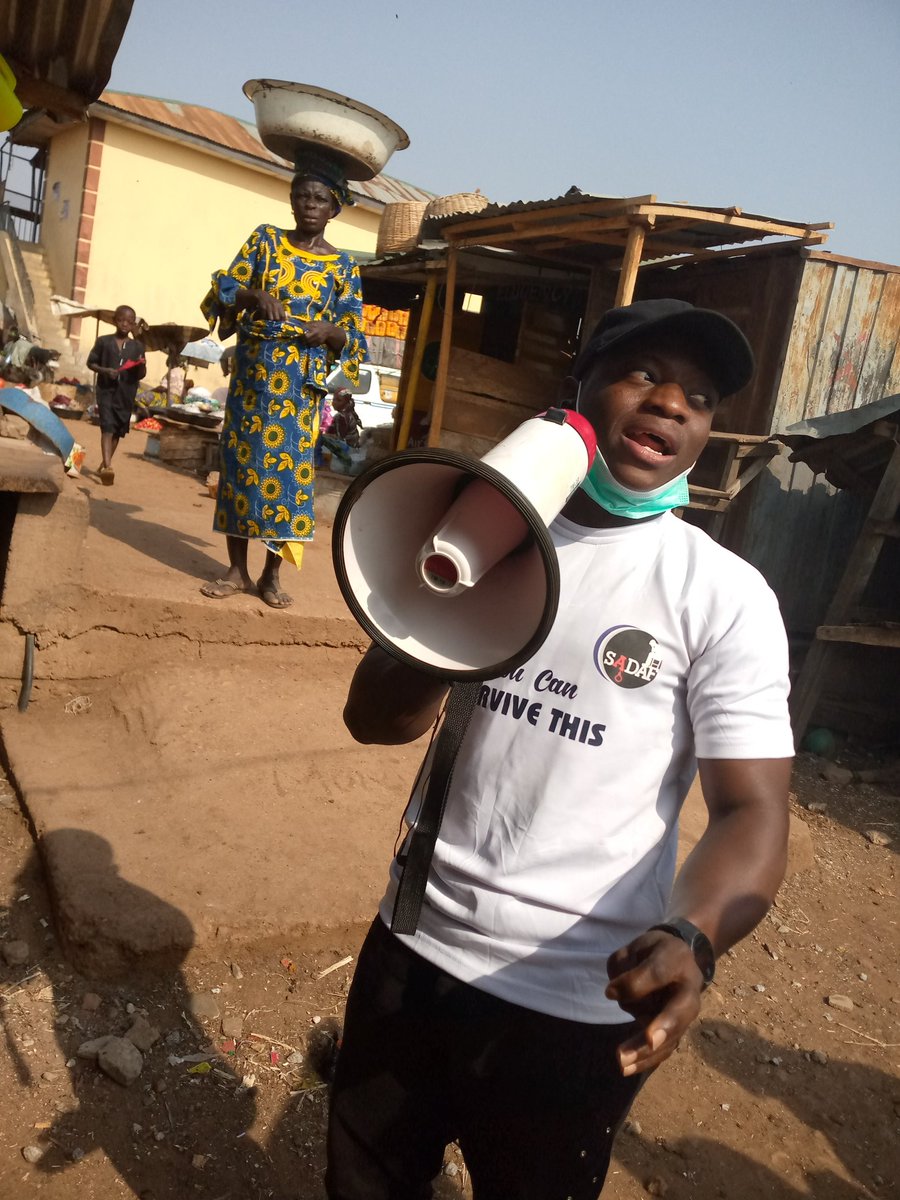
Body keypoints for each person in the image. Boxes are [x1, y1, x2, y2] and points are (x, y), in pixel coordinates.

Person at [326, 298, 795, 1200]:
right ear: (580, 392)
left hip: (577, 1003)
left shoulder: (723, 595)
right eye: (646, 373)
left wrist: (691, 936)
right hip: (411, 951)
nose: (671, 403)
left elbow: (752, 810)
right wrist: (443, 614)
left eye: (699, 396)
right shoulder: (481, 529)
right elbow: (373, 720)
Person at [199, 150, 367, 608]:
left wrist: (331, 331)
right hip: (253, 382)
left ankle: (271, 577)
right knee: (239, 470)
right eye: (302, 196)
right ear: (292, 201)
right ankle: (236, 570)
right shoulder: (265, 242)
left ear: (334, 209)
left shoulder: (344, 268)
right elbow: (223, 289)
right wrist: (256, 294)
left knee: (287, 482)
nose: (309, 204)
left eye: (319, 198)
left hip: (299, 393)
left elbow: (355, 337)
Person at [86, 305, 146, 485]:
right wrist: (105, 371)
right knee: (107, 427)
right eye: (121, 320)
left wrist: (140, 364)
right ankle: (108, 467)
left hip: (126, 393)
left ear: (133, 324)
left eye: (129, 321)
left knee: (118, 431)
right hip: (106, 391)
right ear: (114, 320)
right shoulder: (103, 342)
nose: (124, 324)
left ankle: (103, 465)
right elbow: (91, 363)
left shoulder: (137, 346)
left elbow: (141, 374)